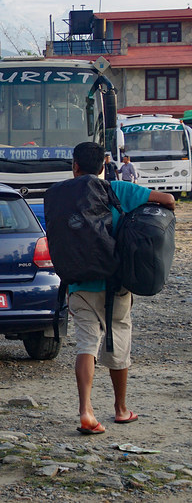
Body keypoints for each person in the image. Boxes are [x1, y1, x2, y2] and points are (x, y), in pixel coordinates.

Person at [59, 142, 174, 435]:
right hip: (117, 283)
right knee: (119, 337)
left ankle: (86, 410)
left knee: (86, 343)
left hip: (80, 282)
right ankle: (121, 409)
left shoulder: (63, 195)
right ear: (103, 166)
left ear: (75, 166)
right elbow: (168, 199)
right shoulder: (119, 189)